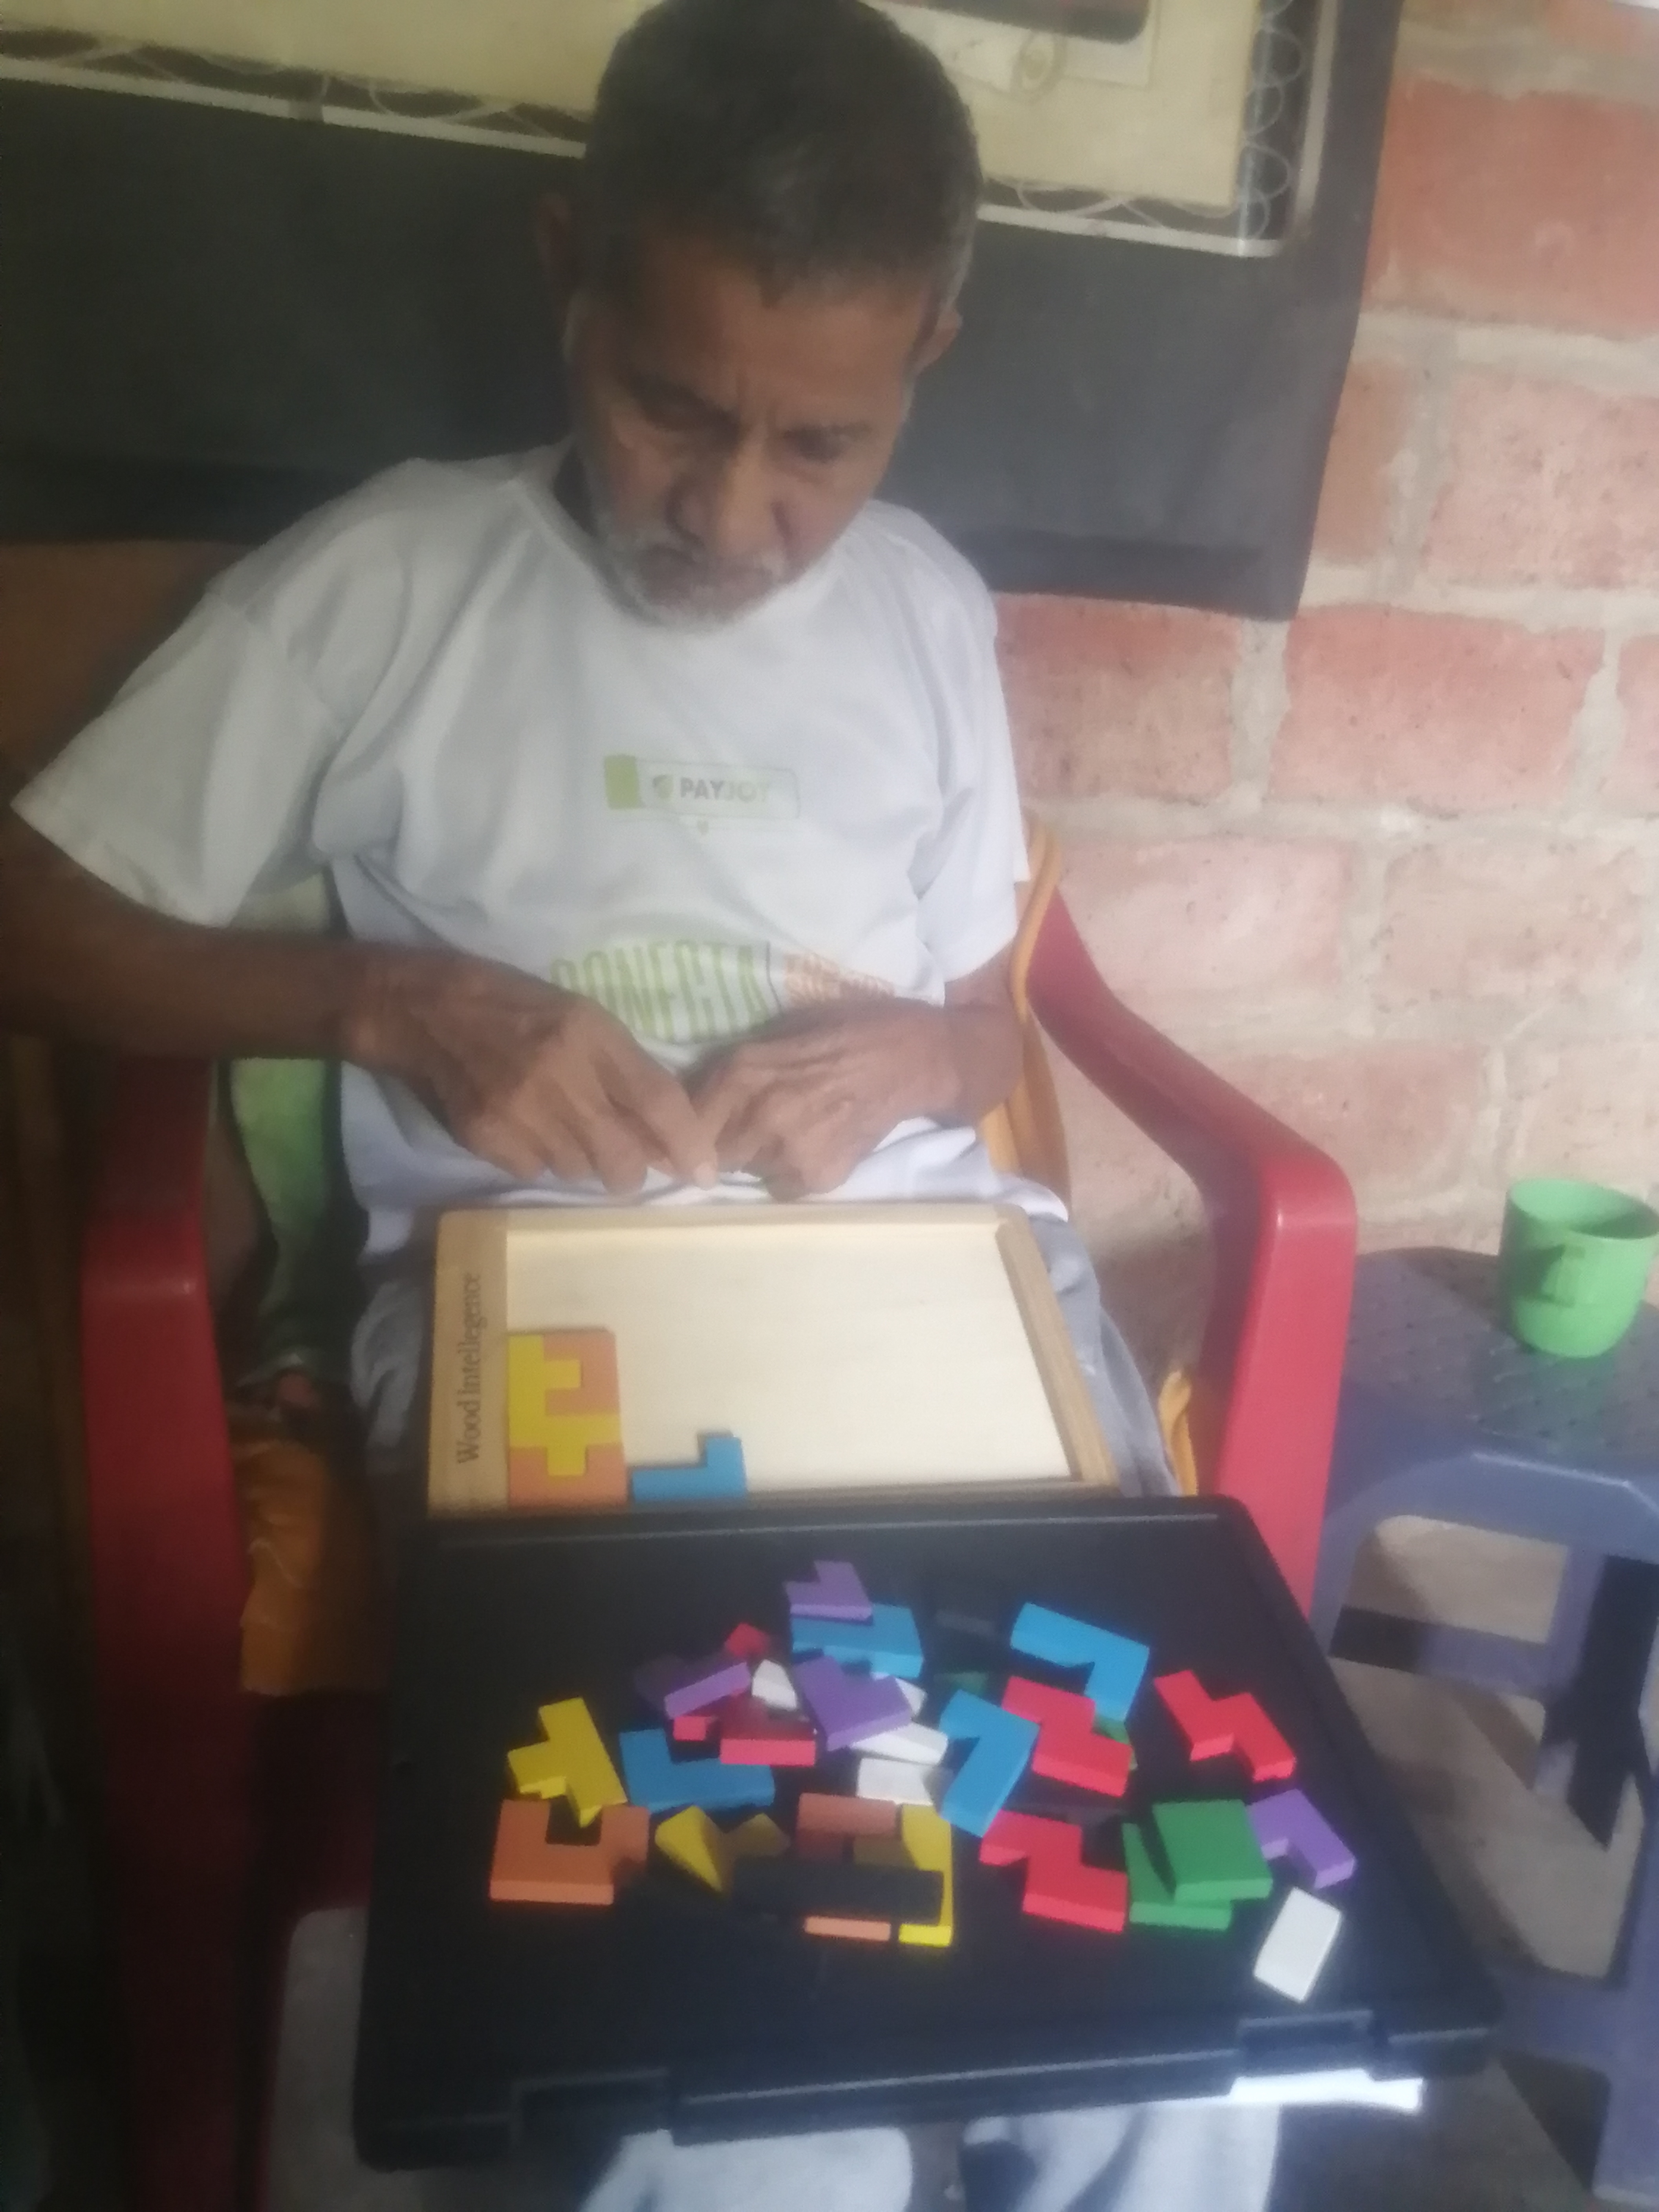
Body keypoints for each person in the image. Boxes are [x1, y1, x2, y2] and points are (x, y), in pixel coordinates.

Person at [0, 2, 1277, 2206]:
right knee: (745, 2060)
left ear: (932, 352)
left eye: (823, 443)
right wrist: (386, 1002)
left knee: (1191, 2003)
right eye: (672, 408)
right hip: (558, 1323)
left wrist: (936, 1055)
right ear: (566, 270)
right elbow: (32, 918)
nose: (738, 515)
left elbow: (987, 1023)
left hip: (929, 1304)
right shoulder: (394, 584)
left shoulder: (924, 613)